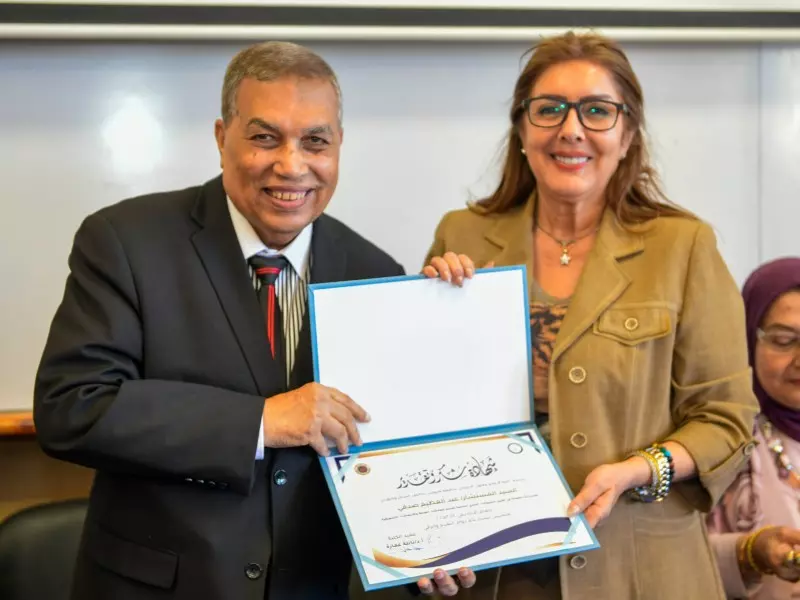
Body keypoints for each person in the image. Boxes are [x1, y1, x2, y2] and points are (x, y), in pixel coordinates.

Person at [33, 41, 474, 600]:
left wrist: (425, 552)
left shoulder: (374, 273)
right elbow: (72, 408)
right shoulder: (126, 240)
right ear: (222, 138)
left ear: (339, 146)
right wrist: (261, 422)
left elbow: (382, 454)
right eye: (265, 138)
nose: (291, 165)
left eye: (315, 141)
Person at [422, 31, 759, 599]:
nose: (571, 129)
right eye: (549, 109)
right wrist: (431, 310)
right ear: (522, 130)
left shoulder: (683, 247)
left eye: (597, 111)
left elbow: (727, 419)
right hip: (497, 572)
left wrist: (640, 469)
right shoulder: (462, 236)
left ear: (627, 135)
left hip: (640, 568)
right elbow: (423, 408)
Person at [707, 257, 800, 599]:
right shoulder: (720, 440)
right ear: (747, 338)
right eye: (784, 340)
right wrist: (750, 554)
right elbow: (669, 558)